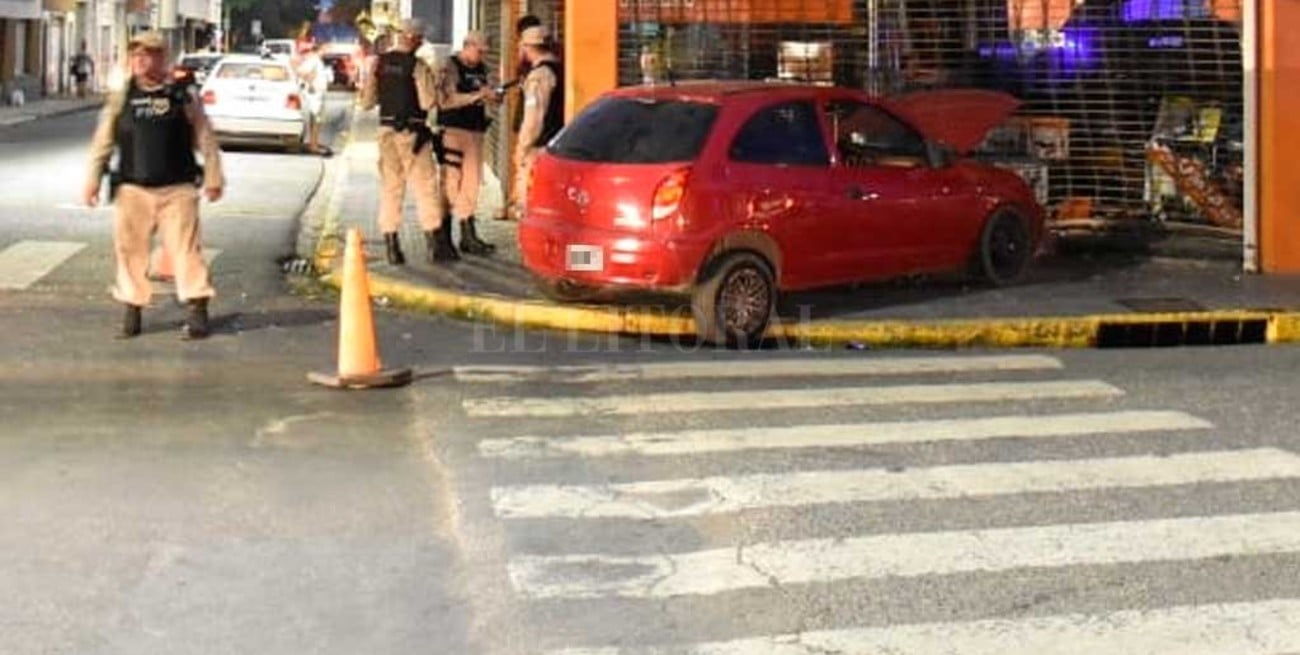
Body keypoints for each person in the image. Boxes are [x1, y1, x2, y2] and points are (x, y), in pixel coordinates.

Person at [81, 30, 224, 340]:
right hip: (134, 189)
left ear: (163, 58)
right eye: (136, 55)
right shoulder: (122, 96)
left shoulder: (182, 94)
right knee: (130, 251)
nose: (141, 60)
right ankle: (132, 309)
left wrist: (213, 176)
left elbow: (204, 137)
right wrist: (92, 179)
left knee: (185, 250)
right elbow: (103, 141)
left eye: (149, 54)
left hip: (178, 188)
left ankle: (197, 308)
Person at [358, 19, 452, 265]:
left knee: (391, 188)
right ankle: (434, 244)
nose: (421, 42)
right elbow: (427, 102)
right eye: (420, 38)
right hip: (412, 134)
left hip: (385, 132)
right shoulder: (417, 66)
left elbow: (367, 102)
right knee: (425, 187)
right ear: (414, 38)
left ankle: (392, 247)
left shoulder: (378, 63)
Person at [435, 31, 499, 256]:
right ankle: (443, 235)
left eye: (484, 52)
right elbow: (445, 101)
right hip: (453, 130)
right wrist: (476, 96)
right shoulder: (450, 66)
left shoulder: (483, 69)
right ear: (467, 46)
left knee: (470, 184)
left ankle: (467, 234)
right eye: (479, 51)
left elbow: (491, 95)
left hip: (475, 131)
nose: (481, 56)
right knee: (450, 184)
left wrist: (493, 96)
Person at [514, 26, 565, 219]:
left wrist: (522, 147)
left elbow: (534, 117)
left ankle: (535, 247)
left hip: (539, 147)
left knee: (530, 204)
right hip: (558, 145)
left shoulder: (539, 75)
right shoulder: (561, 69)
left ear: (528, 48)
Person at [504, 14, 543, 221]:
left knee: (525, 172)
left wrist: (523, 145)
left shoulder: (540, 70)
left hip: (533, 129)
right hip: (532, 124)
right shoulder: (539, 66)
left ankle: (521, 212)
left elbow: (534, 111)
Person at [295, 39, 330, 155]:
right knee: (316, 120)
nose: (326, 51)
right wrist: (310, 82)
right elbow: (301, 72)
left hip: (318, 94)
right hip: (314, 95)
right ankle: (313, 145)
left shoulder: (317, 61)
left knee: (316, 120)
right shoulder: (314, 60)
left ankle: (313, 143)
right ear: (320, 49)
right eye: (325, 49)